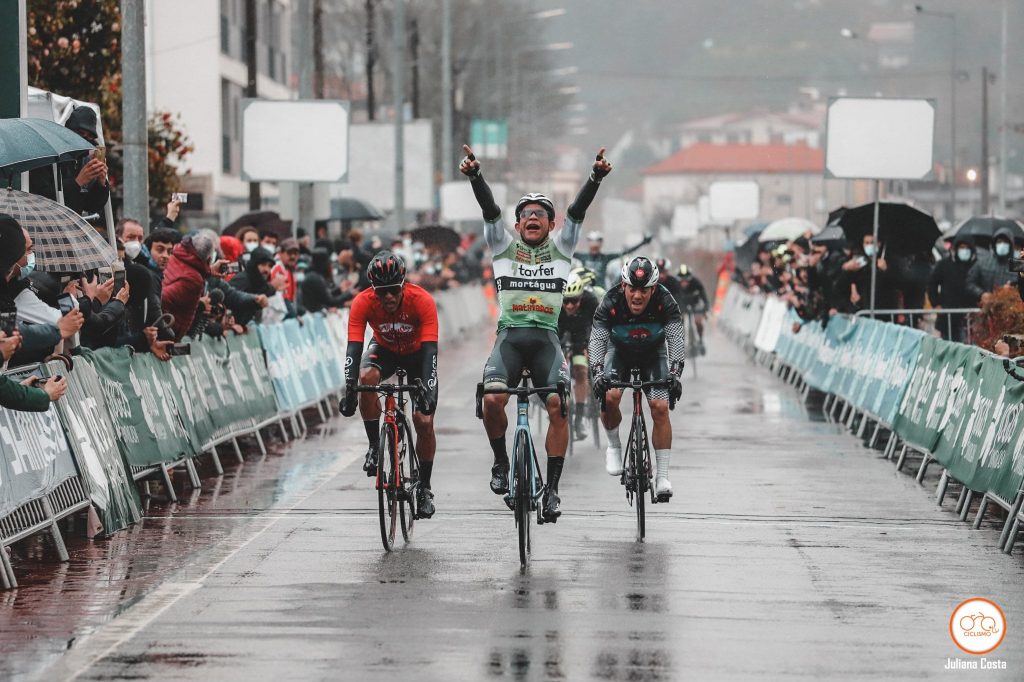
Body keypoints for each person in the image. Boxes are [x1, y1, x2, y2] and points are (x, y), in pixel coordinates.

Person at [461, 142, 612, 522]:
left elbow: (577, 211)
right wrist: (476, 176)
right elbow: (489, 210)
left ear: (551, 224)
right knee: (492, 400)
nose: (532, 217)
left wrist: (594, 177)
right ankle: (501, 462)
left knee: (559, 405)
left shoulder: (562, 248)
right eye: (525, 214)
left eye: (540, 214)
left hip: (546, 340)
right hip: (510, 339)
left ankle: (553, 490)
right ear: (516, 225)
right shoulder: (502, 246)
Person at [339, 252, 440, 518]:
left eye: (394, 290)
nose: (389, 297)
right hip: (384, 350)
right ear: (373, 289)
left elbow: (431, 351)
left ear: (404, 284)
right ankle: (375, 445)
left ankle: (425, 488)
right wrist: (349, 390)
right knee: (366, 378)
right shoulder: (362, 302)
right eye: (382, 292)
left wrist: (428, 392)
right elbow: (353, 348)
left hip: (418, 355)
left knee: (424, 421)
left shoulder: (422, 300)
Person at [589, 257, 685, 500]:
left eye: (644, 290)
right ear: (623, 285)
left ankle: (662, 476)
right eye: (632, 289)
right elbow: (598, 340)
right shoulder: (610, 300)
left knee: (660, 407)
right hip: (619, 353)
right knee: (609, 396)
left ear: (654, 289)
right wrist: (598, 373)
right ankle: (613, 445)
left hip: (653, 354)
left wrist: (675, 374)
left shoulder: (666, 301)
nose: (637, 296)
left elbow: (675, 338)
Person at [28, 106, 110, 217]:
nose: (84, 139)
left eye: (90, 136)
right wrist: (77, 183)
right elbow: (39, 197)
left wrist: (101, 183)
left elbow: (91, 206)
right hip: (46, 220)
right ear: (68, 132)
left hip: (71, 223)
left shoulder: (83, 159)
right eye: (81, 133)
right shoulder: (47, 156)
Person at [557, 273, 600, 441]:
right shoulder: (555, 302)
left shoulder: (591, 301)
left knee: (581, 371)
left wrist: (592, 347)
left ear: (581, 297)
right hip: (561, 330)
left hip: (582, 334)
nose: (569, 305)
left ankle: (579, 418)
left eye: (574, 301)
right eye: (566, 301)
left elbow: (599, 328)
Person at [929, 237, 978, 342]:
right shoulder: (943, 264)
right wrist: (936, 304)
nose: (964, 250)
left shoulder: (976, 265)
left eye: (967, 248)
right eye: (961, 247)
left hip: (970, 315)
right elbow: (932, 284)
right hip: (948, 316)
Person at [577, 230, 652, 289]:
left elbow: (625, 252)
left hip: (600, 290)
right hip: (586, 289)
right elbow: (569, 250)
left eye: (596, 247)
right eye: (593, 247)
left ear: (601, 245)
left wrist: (642, 243)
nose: (594, 249)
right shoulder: (583, 256)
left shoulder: (604, 257)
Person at [967, 227, 1018, 305]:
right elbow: (969, 283)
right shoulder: (982, 263)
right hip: (987, 307)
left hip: (1010, 308)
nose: (1002, 245)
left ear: (1011, 245)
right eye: (999, 242)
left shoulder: (1018, 265)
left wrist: (1013, 290)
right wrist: (981, 293)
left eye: (1005, 242)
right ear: (994, 244)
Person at [301, 248, 352, 313]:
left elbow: (325, 295)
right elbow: (330, 301)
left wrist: (339, 289)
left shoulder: (313, 275)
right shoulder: (315, 278)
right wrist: (350, 294)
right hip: (313, 314)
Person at [676, 264, 709, 355]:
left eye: (686, 280)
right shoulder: (675, 284)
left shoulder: (696, 282)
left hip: (695, 303)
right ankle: (680, 343)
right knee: (680, 320)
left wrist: (706, 307)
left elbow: (704, 296)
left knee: (698, 320)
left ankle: (700, 339)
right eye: (682, 281)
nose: (684, 283)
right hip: (682, 304)